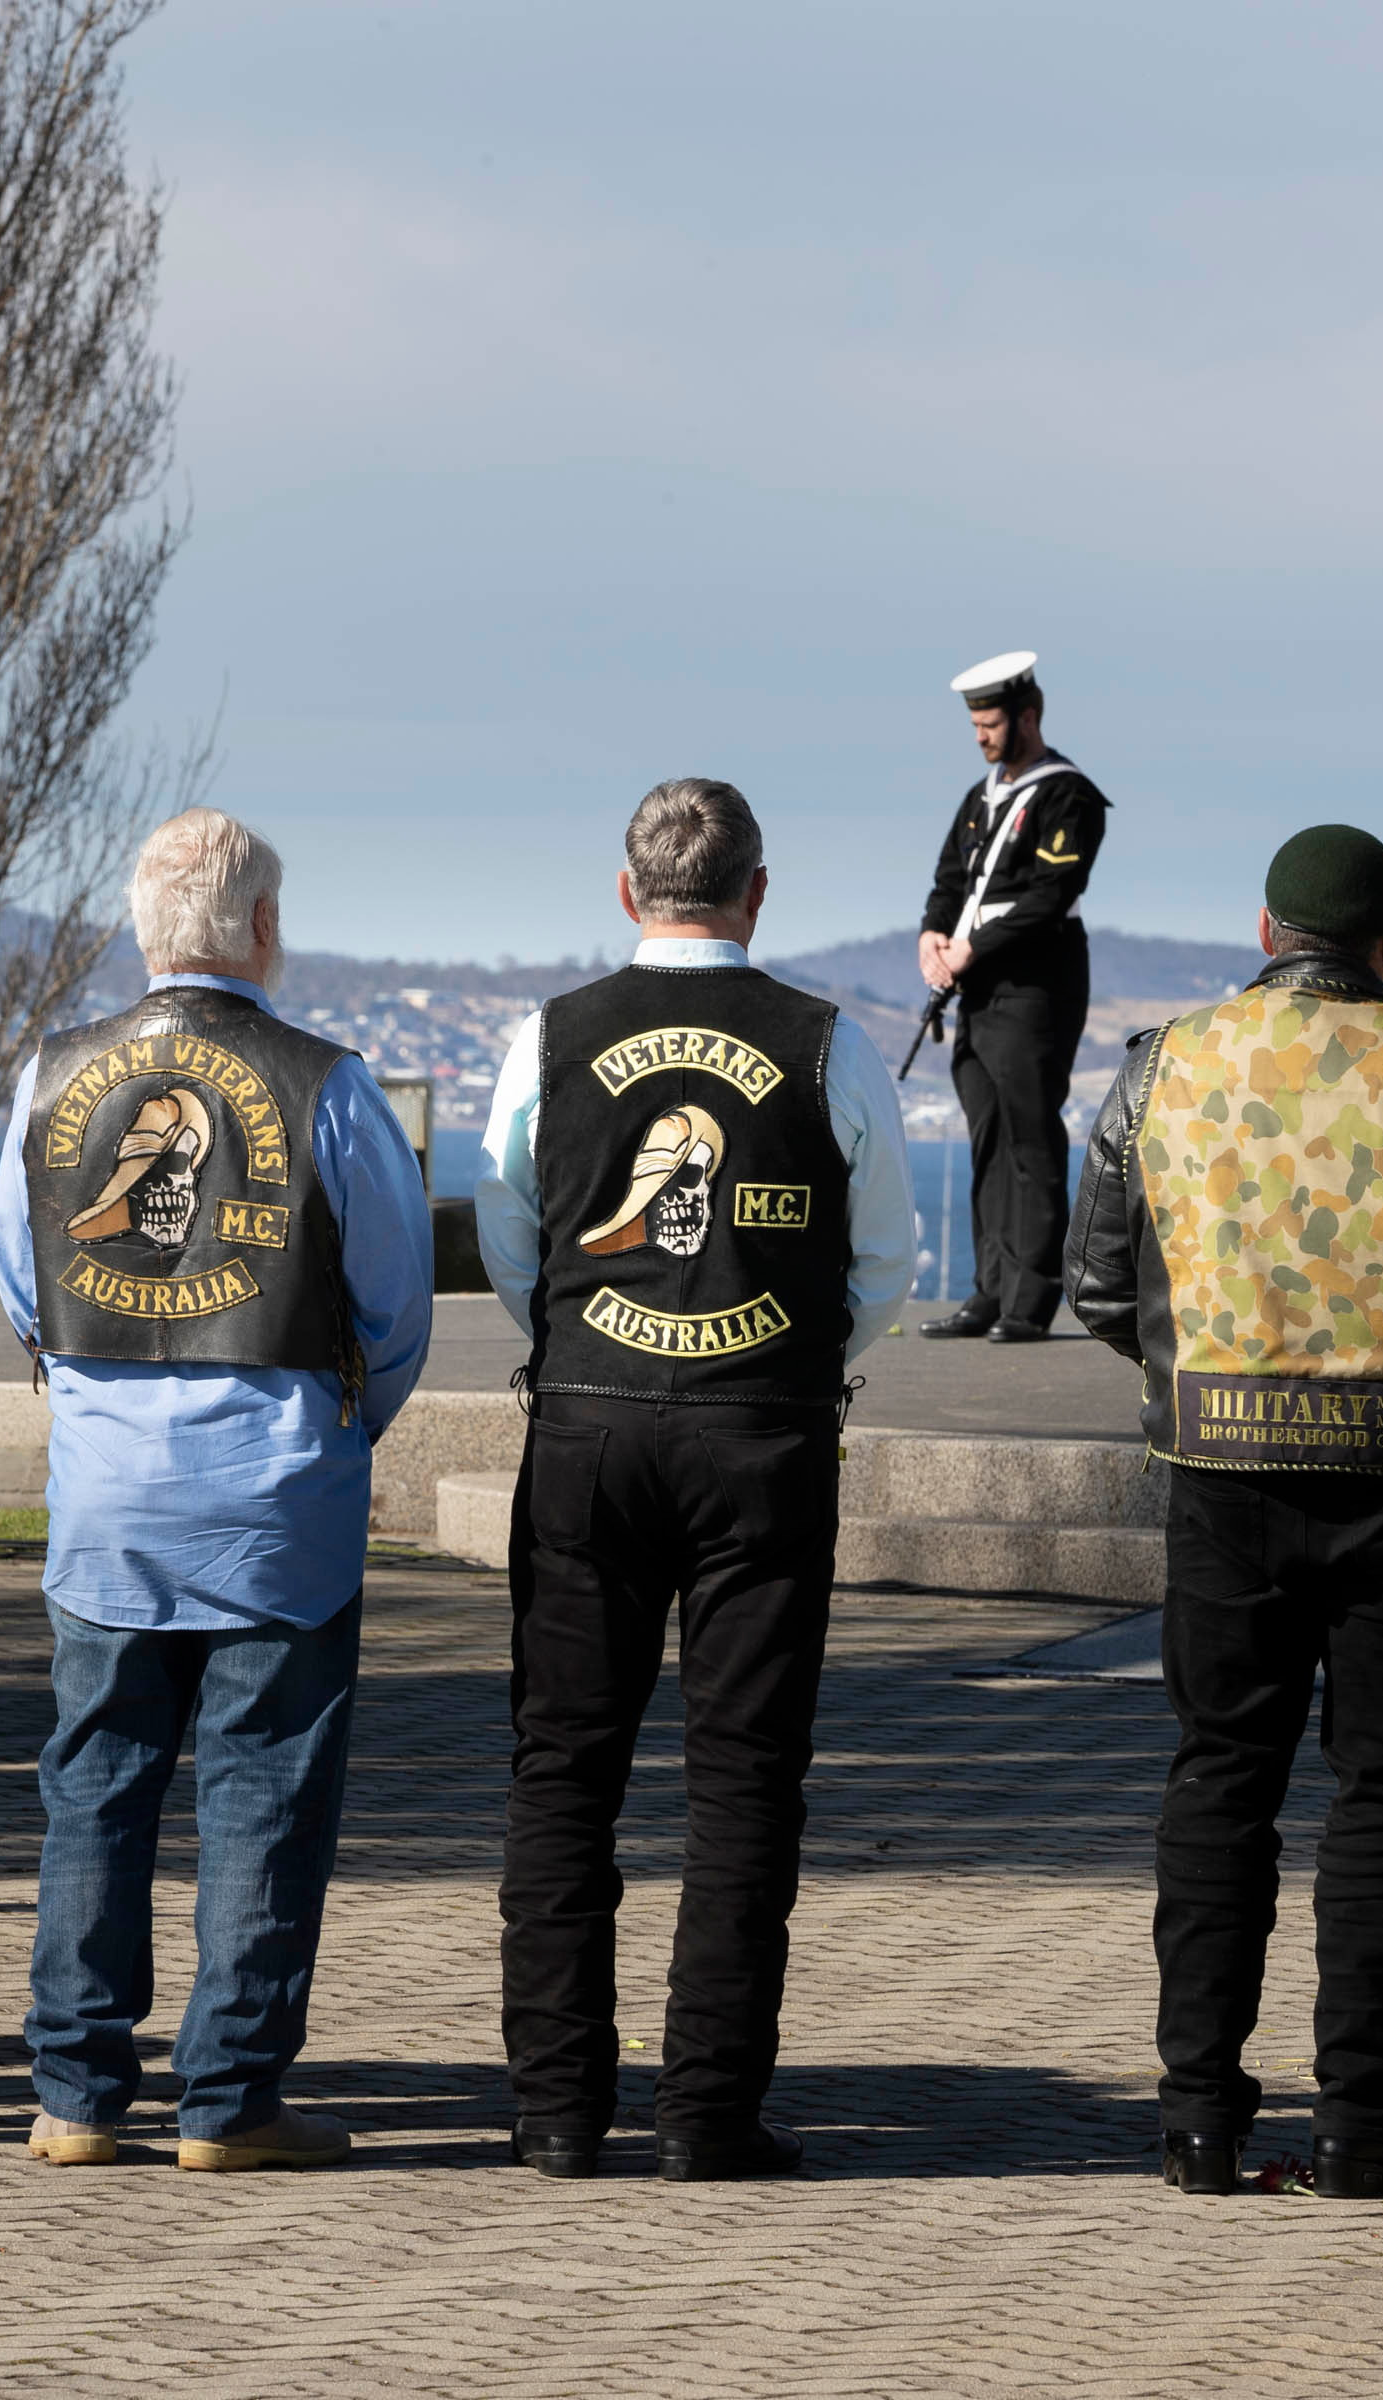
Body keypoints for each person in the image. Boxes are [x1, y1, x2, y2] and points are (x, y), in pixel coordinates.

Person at [1066, 825, 1383, 2199]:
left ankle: (1196, 2122)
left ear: (1265, 930)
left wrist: (1195, 1379)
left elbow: (1103, 1288)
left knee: (1219, 1787)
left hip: (1219, 1480)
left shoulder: (1164, 1068)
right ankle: (1363, 2127)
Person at [475, 777, 918, 2181]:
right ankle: (710, 2113)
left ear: (626, 892)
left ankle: (555, 2109)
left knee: (561, 1774)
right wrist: (792, 1351)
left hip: (590, 1426)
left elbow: (512, 1230)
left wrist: (586, 1333)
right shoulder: (827, 1045)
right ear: (759, 891)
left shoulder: (547, 1037)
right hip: (762, 1433)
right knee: (744, 1785)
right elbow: (885, 1262)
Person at [0, 807, 434, 2173]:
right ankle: (231, 2100)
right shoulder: (328, 1084)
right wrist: (344, 1433)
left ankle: (74, 2094)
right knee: (263, 1800)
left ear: (140, 928)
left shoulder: (50, 1076)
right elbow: (395, 1307)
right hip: (274, 1499)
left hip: (108, 1499)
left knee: (96, 1792)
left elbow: (24, 1290)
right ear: (260, 930)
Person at [914, 651, 1107, 1343]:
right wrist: (933, 936)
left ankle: (1030, 1302)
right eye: (974, 725)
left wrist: (973, 947)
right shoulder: (981, 796)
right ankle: (988, 1295)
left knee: (1031, 1138)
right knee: (989, 1138)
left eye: (991, 723)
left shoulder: (1068, 796)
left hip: (1034, 987)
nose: (981, 737)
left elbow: (1049, 896)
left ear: (1027, 716)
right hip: (977, 992)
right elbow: (947, 879)